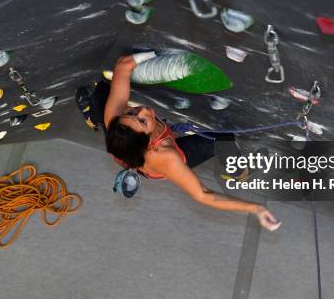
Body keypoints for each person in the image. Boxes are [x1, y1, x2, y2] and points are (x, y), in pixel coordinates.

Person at [98, 54, 281, 231]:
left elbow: (123, 65)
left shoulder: (115, 121)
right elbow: (204, 195)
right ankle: (239, 172)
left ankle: (92, 112)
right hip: (159, 159)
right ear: (149, 142)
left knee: (102, 93)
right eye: (143, 121)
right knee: (223, 138)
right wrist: (255, 208)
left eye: (131, 113)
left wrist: (159, 55)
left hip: (128, 147)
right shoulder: (167, 158)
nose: (143, 110)